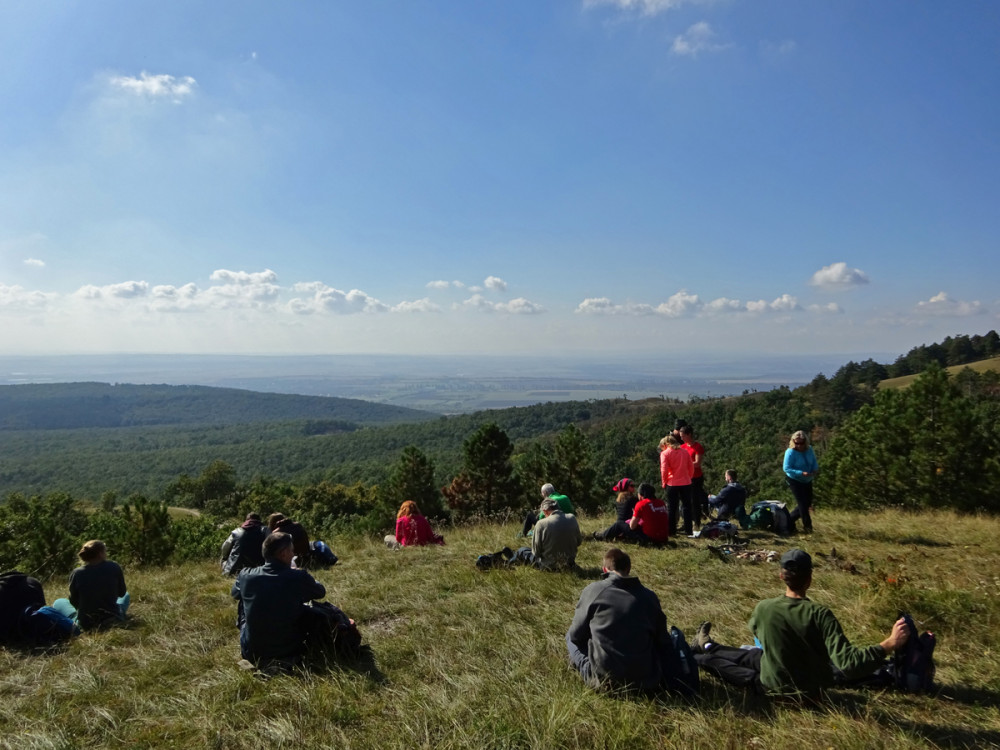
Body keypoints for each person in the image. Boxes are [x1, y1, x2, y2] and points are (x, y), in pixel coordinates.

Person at [693, 549, 909, 700]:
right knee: (754, 657)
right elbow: (849, 664)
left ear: (781, 576)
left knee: (723, 662)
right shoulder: (821, 614)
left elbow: (757, 634)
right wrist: (889, 644)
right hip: (811, 693)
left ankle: (700, 654)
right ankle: (707, 646)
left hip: (773, 689)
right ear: (810, 578)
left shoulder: (764, 608)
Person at [566, 547, 671, 692]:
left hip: (604, 680)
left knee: (569, 637)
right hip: (646, 680)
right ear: (629, 568)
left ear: (604, 569)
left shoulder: (594, 590)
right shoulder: (649, 597)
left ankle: (582, 666)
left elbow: (575, 635)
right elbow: (663, 641)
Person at [231, 531, 329, 669]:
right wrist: (298, 572)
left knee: (243, 601)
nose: (293, 555)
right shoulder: (297, 576)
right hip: (290, 649)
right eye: (292, 551)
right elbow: (320, 591)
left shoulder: (245, 575)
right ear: (283, 553)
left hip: (252, 652)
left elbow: (234, 594)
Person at [57, 540, 130, 631]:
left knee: (59, 602)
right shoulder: (114, 567)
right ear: (100, 554)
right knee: (126, 595)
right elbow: (122, 593)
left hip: (86, 623)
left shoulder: (77, 573)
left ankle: (75, 621)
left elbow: (74, 601)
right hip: (112, 618)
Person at [511, 497, 582, 570]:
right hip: (569, 563)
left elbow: (536, 552)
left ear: (545, 511)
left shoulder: (541, 524)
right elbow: (579, 542)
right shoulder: (572, 518)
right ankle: (513, 556)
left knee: (522, 550)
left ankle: (510, 560)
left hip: (549, 566)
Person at [783, 430, 819, 533]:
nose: (799, 445)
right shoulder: (790, 452)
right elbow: (786, 468)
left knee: (807, 504)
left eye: (801, 443)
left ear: (805, 441)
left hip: (807, 479)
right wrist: (801, 473)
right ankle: (808, 528)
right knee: (802, 504)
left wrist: (815, 469)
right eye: (796, 443)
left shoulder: (809, 449)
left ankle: (788, 521)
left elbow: (814, 462)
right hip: (795, 479)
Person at [659, 435, 695, 537]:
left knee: (672, 508)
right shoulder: (684, 451)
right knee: (687, 506)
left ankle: (672, 531)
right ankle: (689, 530)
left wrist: (664, 482)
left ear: (665, 444)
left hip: (672, 483)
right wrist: (689, 477)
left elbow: (664, 469)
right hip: (686, 482)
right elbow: (691, 466)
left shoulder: (665, 453)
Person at [680, 425, 709, 526]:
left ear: (689, 434)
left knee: (694, 501)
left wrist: (685, 463)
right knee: (685, 501)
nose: (681, 438)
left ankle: (697, 521)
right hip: (685, 477)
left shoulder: (697, 447)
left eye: (683, 436)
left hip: (695, 478)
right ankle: (687, 521)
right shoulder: (682, 447)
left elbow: (697, 464)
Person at [593, 478, 639, 542]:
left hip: (625, 525)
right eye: (632, 486)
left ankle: (603, 536)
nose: (634, 487)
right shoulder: (633, 499)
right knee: (619, 523)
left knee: (619, 523)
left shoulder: (618, 500)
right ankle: (604, 536)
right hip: (629, 525)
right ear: (626, 487)